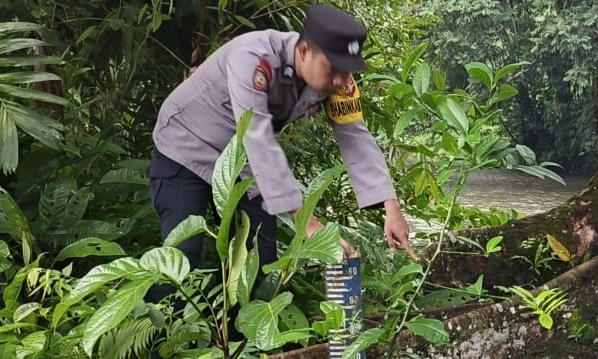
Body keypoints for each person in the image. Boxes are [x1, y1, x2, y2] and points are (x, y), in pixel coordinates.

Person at [147, 3, 413, 291]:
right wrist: (309, 225)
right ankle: (155, 332)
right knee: (181, 258)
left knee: (261, 260)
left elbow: (355, 137)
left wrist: (391, 206)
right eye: (333, 68)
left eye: (347, 70)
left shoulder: (339, 81)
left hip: (242, 162)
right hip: (187, 148)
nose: (340, 80)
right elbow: (257, 138)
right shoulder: (252, 58)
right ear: (303, 52)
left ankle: (245, 335)